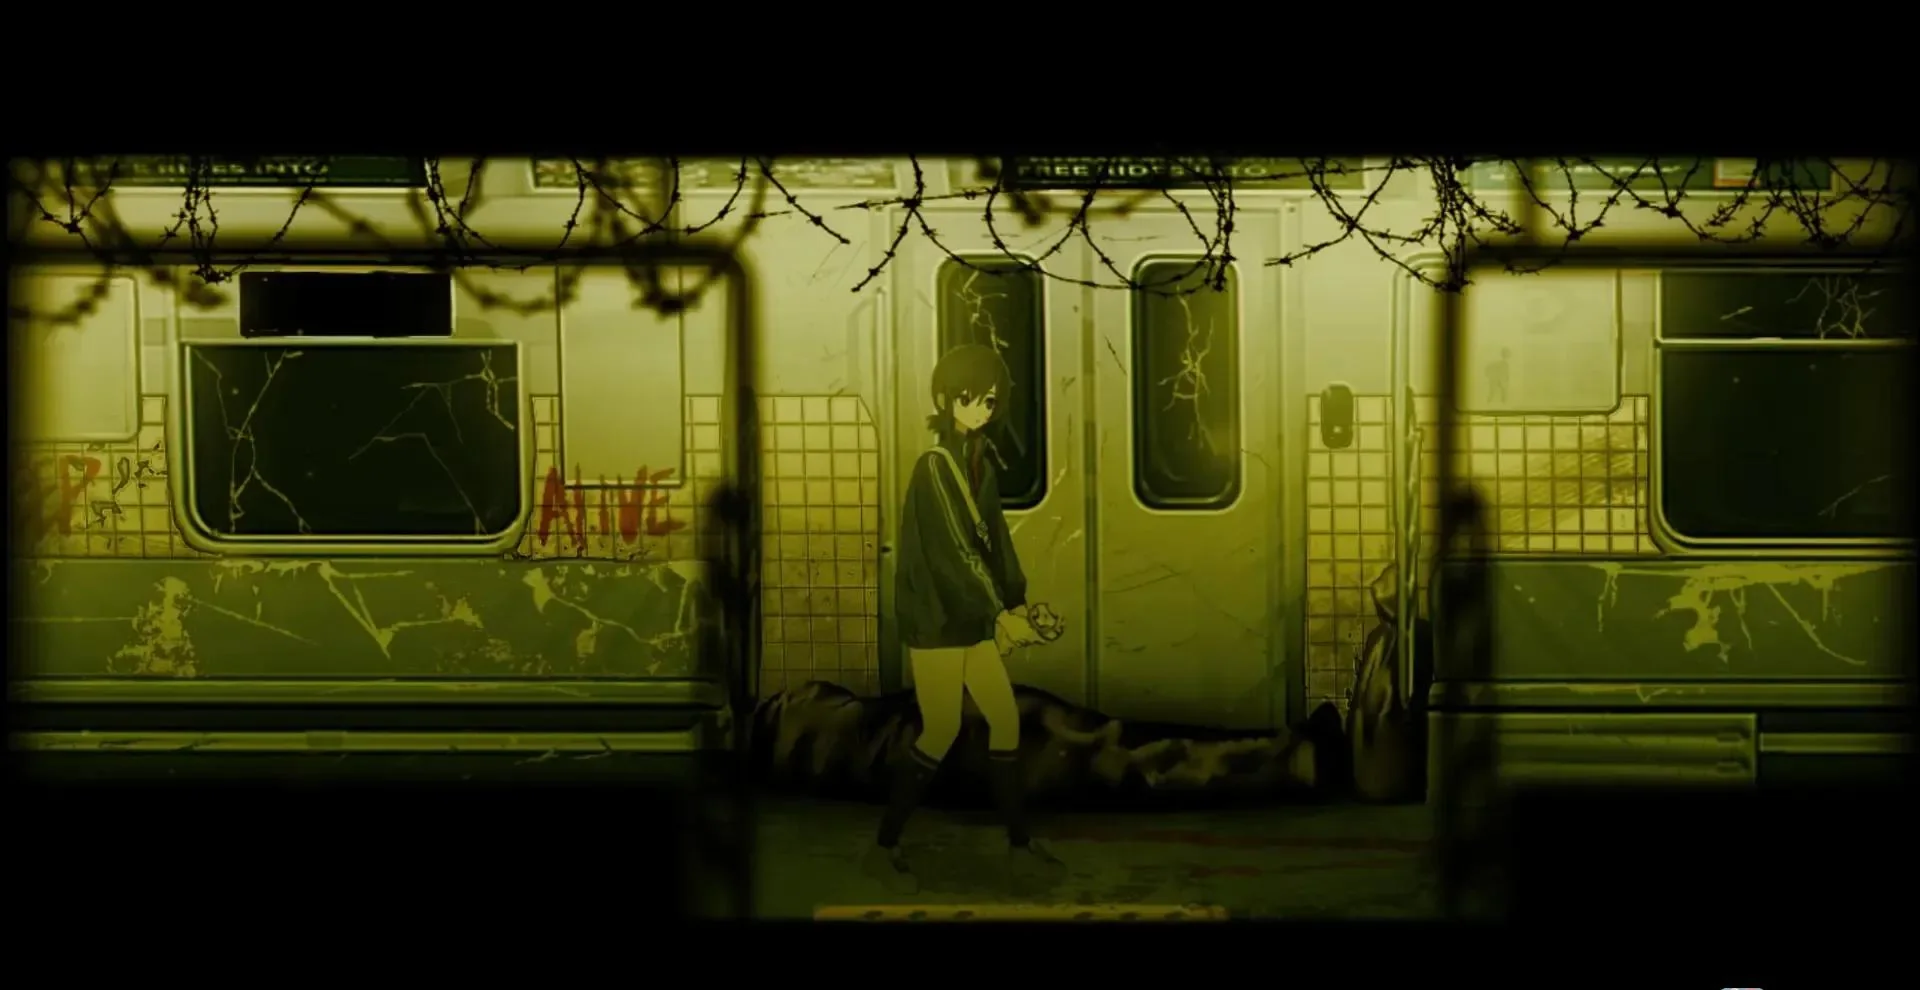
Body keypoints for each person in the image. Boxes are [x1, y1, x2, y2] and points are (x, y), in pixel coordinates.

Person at [863, 344, 1069, 895]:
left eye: (990, 401)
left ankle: (1019, 843)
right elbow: (954, 552)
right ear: (944, 398)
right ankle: (886, 843)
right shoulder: (934, 467)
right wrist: (999, 613)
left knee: (1003, 718)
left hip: (971, 620)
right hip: (937, 621)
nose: (980, 408)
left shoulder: (980, 462)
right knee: (942, 728)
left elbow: (996, 541)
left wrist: (1017, 604)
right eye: (969, 397)